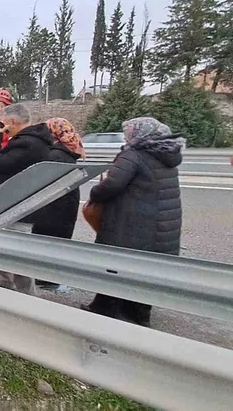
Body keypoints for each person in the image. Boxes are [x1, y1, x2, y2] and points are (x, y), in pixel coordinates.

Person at [82, 117, 184, 327]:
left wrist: (94, 192)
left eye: (129, 132)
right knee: (145, 270)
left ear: (140, 134)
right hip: (162, 225)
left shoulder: (133, 155)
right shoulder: (166, 155)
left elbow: (112, 185)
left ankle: (105, 309)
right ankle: (139, 314)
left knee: (115, 264)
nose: (126, 136)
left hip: (131, 223)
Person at [0, 103, 54, 295]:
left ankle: (26, 296)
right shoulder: (35, 140)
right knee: (10, 249)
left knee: (17, 253)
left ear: (12, 122)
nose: (1, 127)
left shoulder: (27, 143)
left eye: (3, 124)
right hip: (20, 203)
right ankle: (7, 285)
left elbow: (0, 164)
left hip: (19, 206)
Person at [32, 118, 85, 289]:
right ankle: (51, 276)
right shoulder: (68, 151)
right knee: (59, 240)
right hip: (67, 202)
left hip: (53, 206)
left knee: (46, 240)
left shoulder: (54, 155)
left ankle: (44, 277)